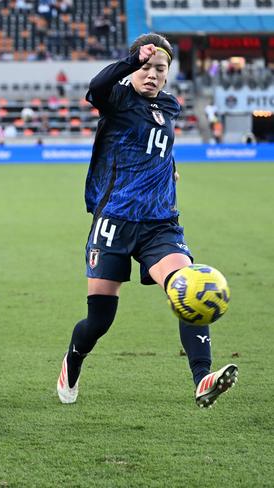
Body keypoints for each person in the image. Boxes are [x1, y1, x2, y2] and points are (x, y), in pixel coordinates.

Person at [56, 34, 238, 409]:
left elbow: (156, 147)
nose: (152, 75)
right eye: (146, 67)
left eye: (160, 68)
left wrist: (170, 168)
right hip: (114, 223)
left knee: (187, 286)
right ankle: (72, 361)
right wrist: (129, 61)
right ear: (133, 66)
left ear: (169, 74)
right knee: (99, 320)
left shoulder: (170, 106)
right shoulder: (118, 98)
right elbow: (97, 86)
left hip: (160, 224)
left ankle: (202, 377)